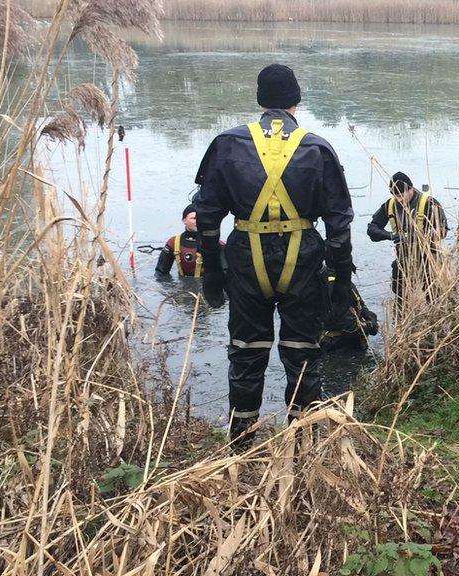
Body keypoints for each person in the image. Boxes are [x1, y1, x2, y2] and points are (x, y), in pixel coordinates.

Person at [193, 64, 356, 448]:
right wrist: (341, 282)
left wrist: (213, 271)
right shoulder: (318, 147)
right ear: (296, 102)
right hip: (302, 263)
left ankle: (242, 446)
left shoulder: (227, 144)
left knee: (247, 355)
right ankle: (301, 450)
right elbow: (339, 223)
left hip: (247, 262)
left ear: (260, 100)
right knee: (302, 355)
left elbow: (207, 216)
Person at [367, 172, 447, 298]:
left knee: (433, 296)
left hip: (428, 259)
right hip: (403, 259)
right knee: (400, 296)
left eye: (401, 195)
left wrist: (416, 237)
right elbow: (372, 230)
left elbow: (442, 232)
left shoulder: (429, 203)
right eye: (395, 196)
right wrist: (390, 235)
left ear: (411, 189)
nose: (399, 199)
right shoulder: (390, 205)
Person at [154, 204, 226, 281]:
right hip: (182, 288)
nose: (198, 221)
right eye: (194, 218)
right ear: (184, 220)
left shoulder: (216, 244)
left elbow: (226, 273)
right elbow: (160, 273)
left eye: (201, 218)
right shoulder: (173, 243)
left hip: (206, 286)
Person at [320, 270, 379, 351]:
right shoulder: (329, 283)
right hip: (337, 346)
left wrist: (371, 317)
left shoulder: (344, 280)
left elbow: (359, 304)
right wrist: (369, 326)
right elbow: (348, 325)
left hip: (354, 341)